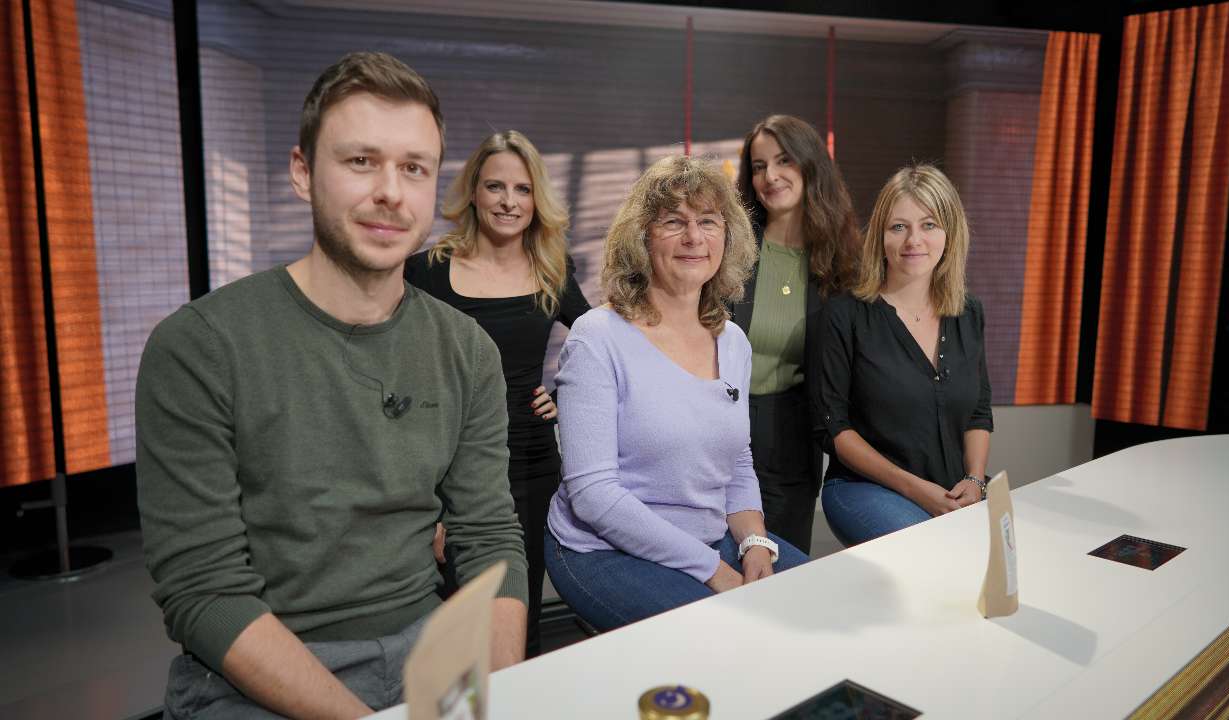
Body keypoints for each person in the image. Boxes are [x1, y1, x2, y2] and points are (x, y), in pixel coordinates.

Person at [135, 52, 528, 719]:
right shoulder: (201, 346)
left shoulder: (466, 350)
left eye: (414, 168)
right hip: (259, 671)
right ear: (302, 172)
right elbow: (205, 591)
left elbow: (489, 538)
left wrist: (500, 699)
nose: (391, 192)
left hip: (428, 649)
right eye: (360, 161)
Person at [543, 155, 807, 633]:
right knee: (732, 635)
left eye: (708, 221)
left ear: (727, 237)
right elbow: (594, 496)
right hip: (605, 548)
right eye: (673, 222)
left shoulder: (733, 341)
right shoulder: (597, 337)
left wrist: (754, 543)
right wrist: (715, 571)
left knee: (821, 599)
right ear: (642, 237)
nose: (693, 237)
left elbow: (737, 463)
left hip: (709, 537)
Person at [405, 130, 589, 656]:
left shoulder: (553, 269)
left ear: (537, 199)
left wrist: (566, 396)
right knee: (449, 623)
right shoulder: (426, 271)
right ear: (473, 192)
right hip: (448, 465)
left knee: (517, 617)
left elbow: (601, 344)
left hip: (529, 462)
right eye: (495, 187)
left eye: (523, 189)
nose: (509, 201)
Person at [815, 163, 993, 546]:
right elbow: (835, 430)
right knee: (938, 553)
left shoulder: (969, 313)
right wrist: (917, 490)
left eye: (929, 225)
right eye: (899, 227)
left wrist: (975, 479)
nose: (914, 240)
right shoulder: (844, 315)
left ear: (949, 233)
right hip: (867, 488)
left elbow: (979, 411)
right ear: (880, 236)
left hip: (955, 488)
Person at [730, 115, 860, 554]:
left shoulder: (843, 262)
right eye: (759, 165)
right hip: (718, 427)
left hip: (790, 433)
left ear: (810, 164)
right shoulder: (730, 246)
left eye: (783, 160)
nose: (770, 176)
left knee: (781, 568)